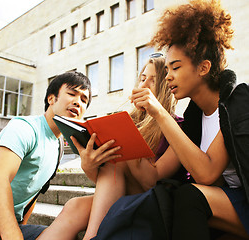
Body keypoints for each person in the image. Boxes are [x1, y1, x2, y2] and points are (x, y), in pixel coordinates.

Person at [130, 0, 249, 239]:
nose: (169, 76)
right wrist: (126, 138)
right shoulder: (194, 116)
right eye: (167, 70)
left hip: (244, 200)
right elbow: (153, 176)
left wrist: (160, 113)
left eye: (175, 67)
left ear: (203, 68)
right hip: (227, 203)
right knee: (173, 195)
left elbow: (207, 174)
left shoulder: (237, 102)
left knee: (190, 196)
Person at [37, 55, 186, 240]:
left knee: (117, 155)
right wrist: (89, 165)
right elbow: (107, 181)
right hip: (125, 194)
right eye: (142, 79)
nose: (144, 85)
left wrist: (125, 142)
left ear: (166, 87)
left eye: (153, 81)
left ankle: (92, 237)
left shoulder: (178, 126)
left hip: (155, 200)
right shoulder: (130, 120)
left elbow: (153, 181)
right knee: (75, 206)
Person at [0, 71, 116, 240]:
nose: (77, 102)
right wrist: (12, 234)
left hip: (13, 225)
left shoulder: (58, 145)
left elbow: (34, 194)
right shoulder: (24, 128)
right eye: (72, 94)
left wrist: (21, 228)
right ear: (51, 99)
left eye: (84, 100)